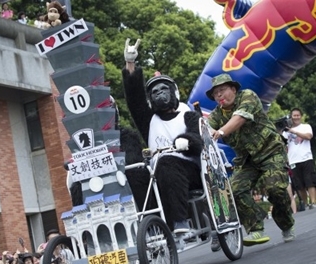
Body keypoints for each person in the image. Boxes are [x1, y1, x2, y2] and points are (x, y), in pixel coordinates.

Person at [122, 39, 203, 236]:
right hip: (158, 172)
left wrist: (187, 140)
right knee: (133, 173)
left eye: (163, 89)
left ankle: (180, 220)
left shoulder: (189, 114)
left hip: (190, 170)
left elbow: (199, 140)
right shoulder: (149, 121)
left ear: (174, 92)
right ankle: (151, 226)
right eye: (154, 92)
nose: (159, 93)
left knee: (167, 162)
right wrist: (130, 65)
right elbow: (135, 100)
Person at [206, 73, 295, 246]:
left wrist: (221, 132)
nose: (219, 95)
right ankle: (256, 229)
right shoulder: (217, 115)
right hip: (247, 160)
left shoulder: (247, 96)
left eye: (222, 90)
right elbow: (206, 129)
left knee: (275, 189)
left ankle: (286, 224)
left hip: (271, 151)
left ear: (233, 89)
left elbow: (240, 118)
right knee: (234, 191)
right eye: (215, 93)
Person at [282, 108, 316, 209]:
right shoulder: (286, 131)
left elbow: (309, 136)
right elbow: (281, 144)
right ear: (291, 117)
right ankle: (306, 204)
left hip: (306, 158)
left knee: (310, 181)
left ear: (300, 116)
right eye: (294, 115)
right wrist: (282, 130)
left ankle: (313, 203)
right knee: (299, 185)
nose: (296, 117)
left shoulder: (306, 126)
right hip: (293, 160)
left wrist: (294, 131)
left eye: (298, 115)